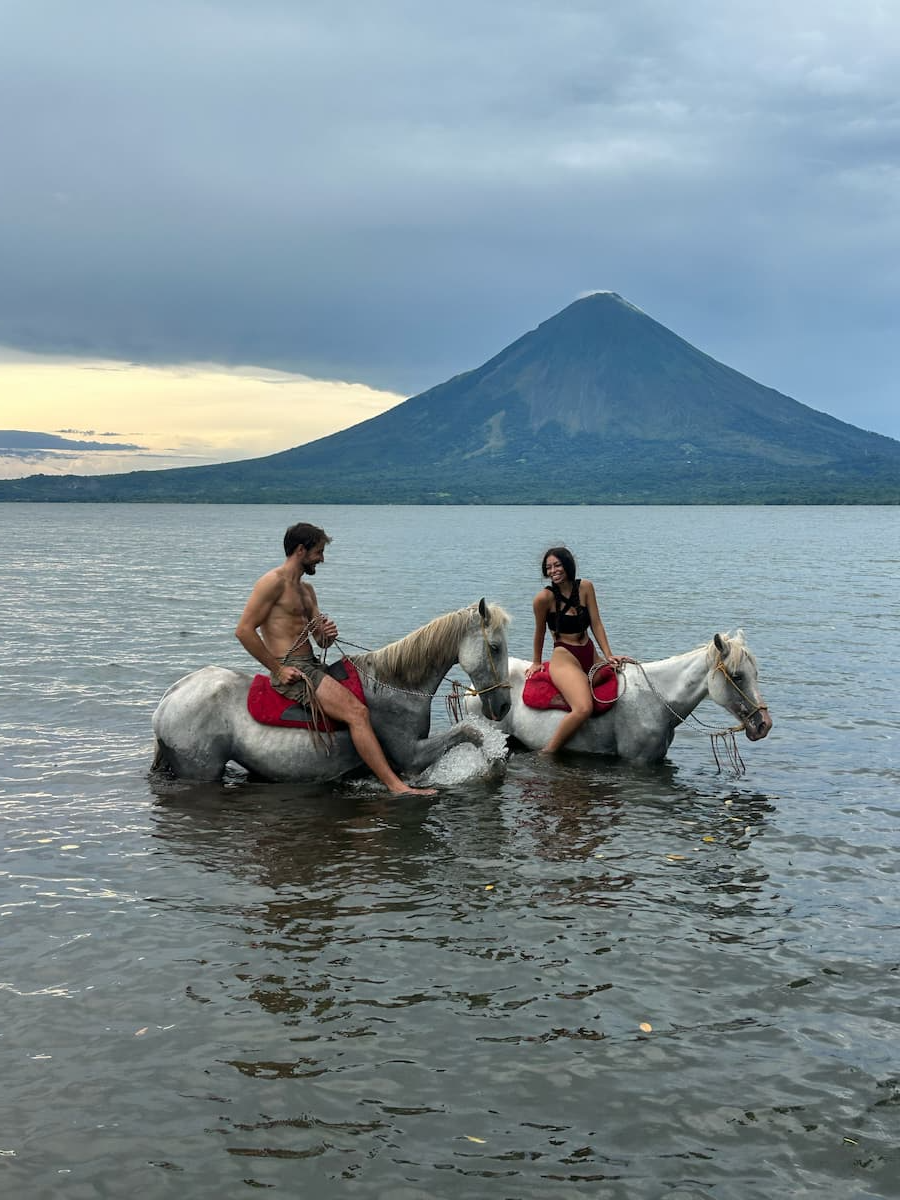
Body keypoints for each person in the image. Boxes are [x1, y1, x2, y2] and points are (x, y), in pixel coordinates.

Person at [235, 521, 435, 795]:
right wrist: (278, 669)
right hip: (294, 670)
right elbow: (244, 630)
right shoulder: (272, 583)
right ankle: (396, 787)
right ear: (301, 550)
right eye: (318, 552)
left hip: (313, 663)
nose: (322, 558)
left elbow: (319, 640)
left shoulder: (307, 591)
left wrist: (326, 634)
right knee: (357, 713)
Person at [526, 545, 631, 754]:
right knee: (583, 708)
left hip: (589, 652)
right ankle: (548, 752)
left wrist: (608, 655)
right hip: (565, 657)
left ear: (568, 565)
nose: (553, 571)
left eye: (557, 565)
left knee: (622, 671)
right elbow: (539, 633)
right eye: (548, 567)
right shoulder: (543, 599)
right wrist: (536, 662)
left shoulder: (586, 587)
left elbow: (596, 624)